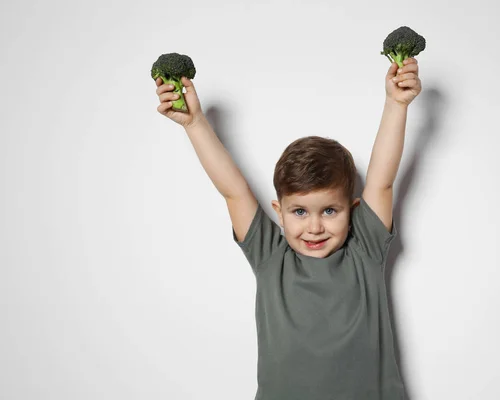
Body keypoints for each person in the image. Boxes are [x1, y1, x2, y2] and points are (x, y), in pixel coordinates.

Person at [154, 57, 421, 400]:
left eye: (329, 210)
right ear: (279, 212)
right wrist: (194, 123)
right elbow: (233, 190)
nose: (314, 226)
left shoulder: (365, 249)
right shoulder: (269, 256)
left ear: (352, 210)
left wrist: (396, 103)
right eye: (299, 211)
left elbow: (382, 181)